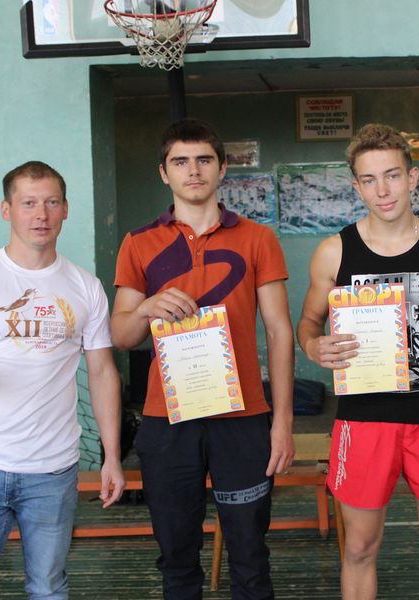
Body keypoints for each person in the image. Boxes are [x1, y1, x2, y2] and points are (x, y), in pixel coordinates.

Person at [297, 123, 419, 600]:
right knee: (360, 547)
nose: (382, 190)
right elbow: (308, 324)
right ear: (356, 186)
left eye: (392, 175)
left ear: (412, 177)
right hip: (363, 418)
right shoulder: (333, 253)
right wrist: (314, 347)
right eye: (369, 179)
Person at [0, 160, 125, 599]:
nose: (41, 214)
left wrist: (112, 456)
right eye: (29, 203)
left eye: (51, 202)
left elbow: (102, 371)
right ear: (6, 209)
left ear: (65, 209)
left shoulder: (85, 286)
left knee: (48, 588)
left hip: (53, 471)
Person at [111, 119, 295, 600]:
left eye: (203, 160)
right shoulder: (138, 242)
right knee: (176, 556)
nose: (193, 171)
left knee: (250, 554)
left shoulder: (258, 238)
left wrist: (282, 422)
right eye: (180, 162)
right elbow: (122, 335)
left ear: (222, 167)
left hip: (243, 417)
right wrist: (147, 308)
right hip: (167, 419)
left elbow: (279, 330)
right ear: (163, 172)